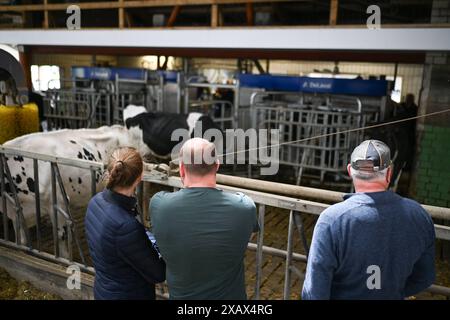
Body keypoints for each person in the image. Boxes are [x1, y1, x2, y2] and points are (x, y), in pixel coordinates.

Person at [302, 140, 435, 300]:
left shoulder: (332, 220)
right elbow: (424, 278)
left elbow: (314, 291)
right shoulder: (419, 215)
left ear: (350, 171)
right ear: (389, 172)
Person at [150, 138, 258, 300]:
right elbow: (249, 234)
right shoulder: (244, 206)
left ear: (181, 169)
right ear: (217, 166)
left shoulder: (159, 204)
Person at [85, 147, 165, 300]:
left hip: (103, 290)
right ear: (139, 177)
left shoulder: (95, 201)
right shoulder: (125, 226)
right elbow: (158, 274)